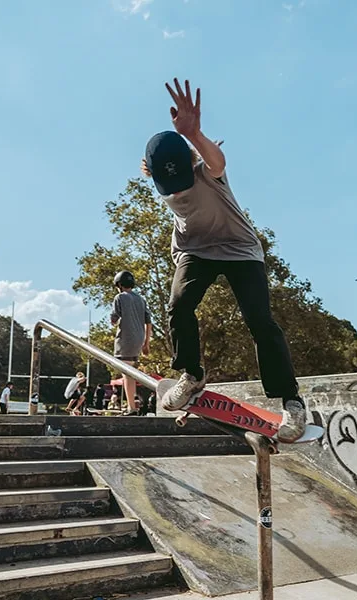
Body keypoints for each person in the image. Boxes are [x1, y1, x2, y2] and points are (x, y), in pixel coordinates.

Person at [141, 78, 306, 442]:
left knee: (259, 320)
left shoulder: (207, 172)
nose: (181, 189)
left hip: (238, 249)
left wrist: (194, 134)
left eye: (184, 177)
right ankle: (192, 373)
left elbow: (218, 161)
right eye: (173, 185)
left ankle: (291, 400)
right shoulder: (161, 178)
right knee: (178, 305)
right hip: (194, 250)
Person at [110, 270, 153, 413]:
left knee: (126, 374)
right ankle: (132, 404)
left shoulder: (120, 297)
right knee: (131, 373)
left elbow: (114, 318)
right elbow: (148, 322)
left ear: (119, 285)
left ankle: (131, 407)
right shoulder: (141, 299)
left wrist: (114, 321)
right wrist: (146, 343)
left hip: (125, 339)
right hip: (139, 339)